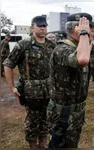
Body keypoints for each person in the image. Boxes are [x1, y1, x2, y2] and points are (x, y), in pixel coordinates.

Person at [3, 16, 56, 148]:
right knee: (32, 119)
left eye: (44, 25)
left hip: (48, 89)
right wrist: (12, 87)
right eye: (39, 25)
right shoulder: (24, 45)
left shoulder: (51, 45)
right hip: (31, 91)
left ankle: (43, 143)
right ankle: (32, 144)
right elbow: (8, 64)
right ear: (32, 28)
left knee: (46, 117)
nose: (43, 27)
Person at [47, 13, 94, 148]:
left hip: (74, 112)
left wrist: (87, 39)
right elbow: (83, 60)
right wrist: (84, 33)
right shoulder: (62, 49)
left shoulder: (75, 48)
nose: (93, 30)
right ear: (76, 28)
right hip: (63, 114)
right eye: (90, 27)